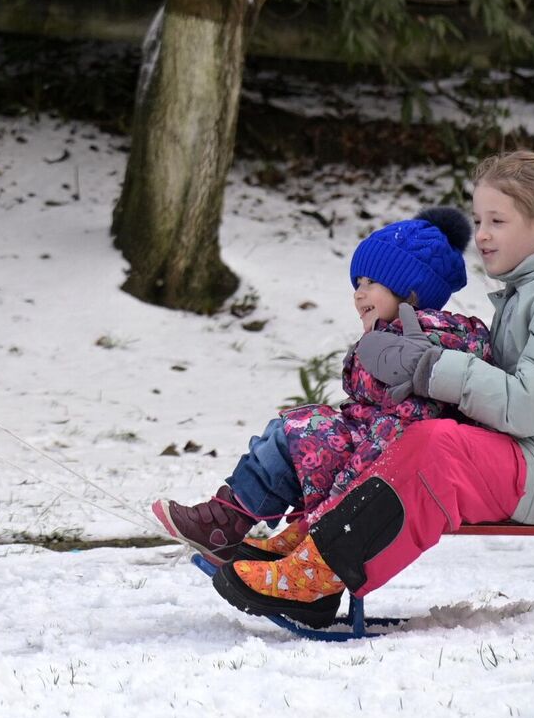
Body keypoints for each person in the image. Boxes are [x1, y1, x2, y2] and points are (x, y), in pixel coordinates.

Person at [208, 150, 534, 628]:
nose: (484, 235)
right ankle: (312, 545)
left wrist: (433, 365)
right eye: (478, 220)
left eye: (498, 220)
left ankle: (318, 575)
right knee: (412, 429)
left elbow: (531, 406)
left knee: (438, 450)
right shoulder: (531, 292)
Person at [151, 208, 490, 562]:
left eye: (371, 283)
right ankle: (235, 525)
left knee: (293, 435)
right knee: (289, 435)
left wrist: (337, 499)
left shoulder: (415, 348)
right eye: (357, 284)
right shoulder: (393, 340)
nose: (359, 294)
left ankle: (227, 524)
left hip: (379, 471)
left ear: (412, 293)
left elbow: (403, 428)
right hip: (365, 453)